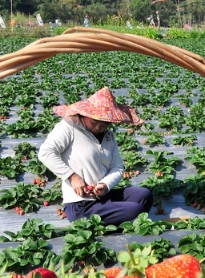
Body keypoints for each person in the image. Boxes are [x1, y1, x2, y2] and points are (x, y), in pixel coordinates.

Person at [39, 87, 153, 226]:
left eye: (105, 124)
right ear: (84, 114)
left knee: (144, 195)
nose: (99, 127)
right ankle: (120, 226)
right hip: (81, 204)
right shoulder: (69, 127)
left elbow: (117, 167)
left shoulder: (109, 136)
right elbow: (45, 153)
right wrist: (72, 176)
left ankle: (125, 224)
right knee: (136, 210)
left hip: (102, 196)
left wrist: (105, 184)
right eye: (94, 122)